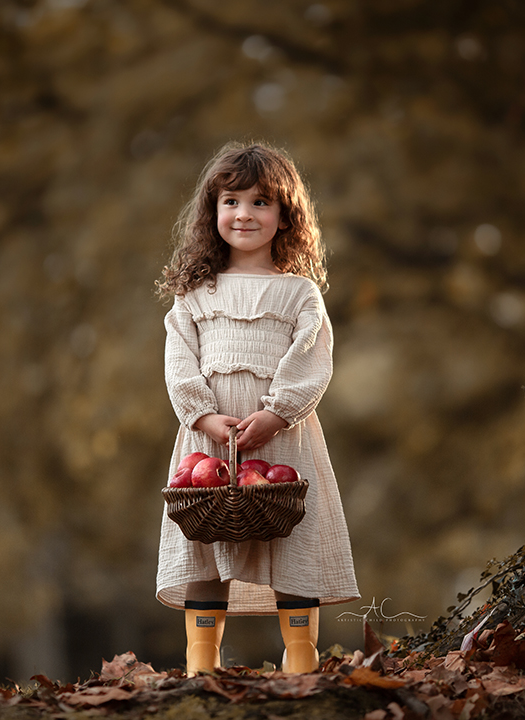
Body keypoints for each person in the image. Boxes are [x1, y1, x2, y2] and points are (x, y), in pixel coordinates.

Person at [155, 142, 359, 676]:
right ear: (213, 211)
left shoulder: (299, 294)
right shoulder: (194, 293)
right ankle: (202, 664)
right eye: (231, 201)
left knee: (292, 544)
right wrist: (201, 415)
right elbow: (179, 363)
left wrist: (277, 413)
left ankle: (301, 660)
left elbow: (313, 360)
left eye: (261, 202)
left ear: (285, 216)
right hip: (209, 443)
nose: (244, 213)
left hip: (283, 440)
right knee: (205, 545)